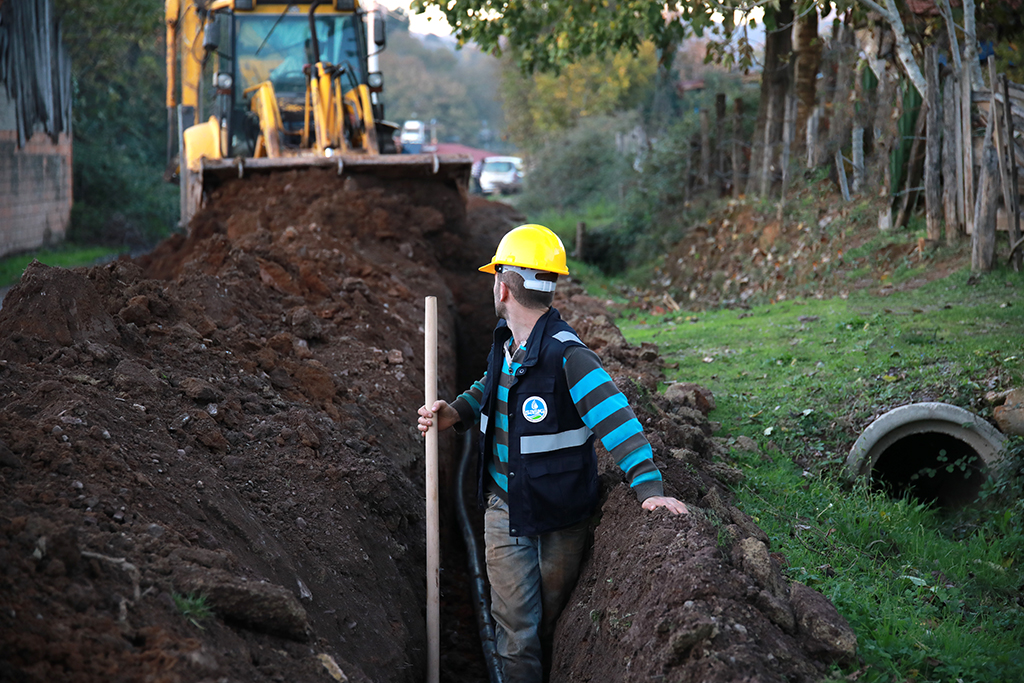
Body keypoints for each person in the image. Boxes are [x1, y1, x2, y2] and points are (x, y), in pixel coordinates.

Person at [417, 223, 688, 682]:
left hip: (562, 518)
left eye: (494, 279)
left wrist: (649, 488)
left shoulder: (569, 356)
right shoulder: (505, 344)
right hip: (505, 508)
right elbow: (490, 385)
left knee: (550, 621)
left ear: (503, 287)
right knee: (516, 631)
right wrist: (456, 412)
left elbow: (616, 419)